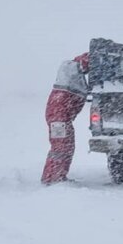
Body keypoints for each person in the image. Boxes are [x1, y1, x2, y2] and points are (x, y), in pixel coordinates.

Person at [41, 53, 90, 185]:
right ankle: (53, 178)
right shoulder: (71, 70)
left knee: (64, 146)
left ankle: (55, 176)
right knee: (61, 147)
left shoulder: (70, 74)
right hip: (59, 119)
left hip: (60, 118)